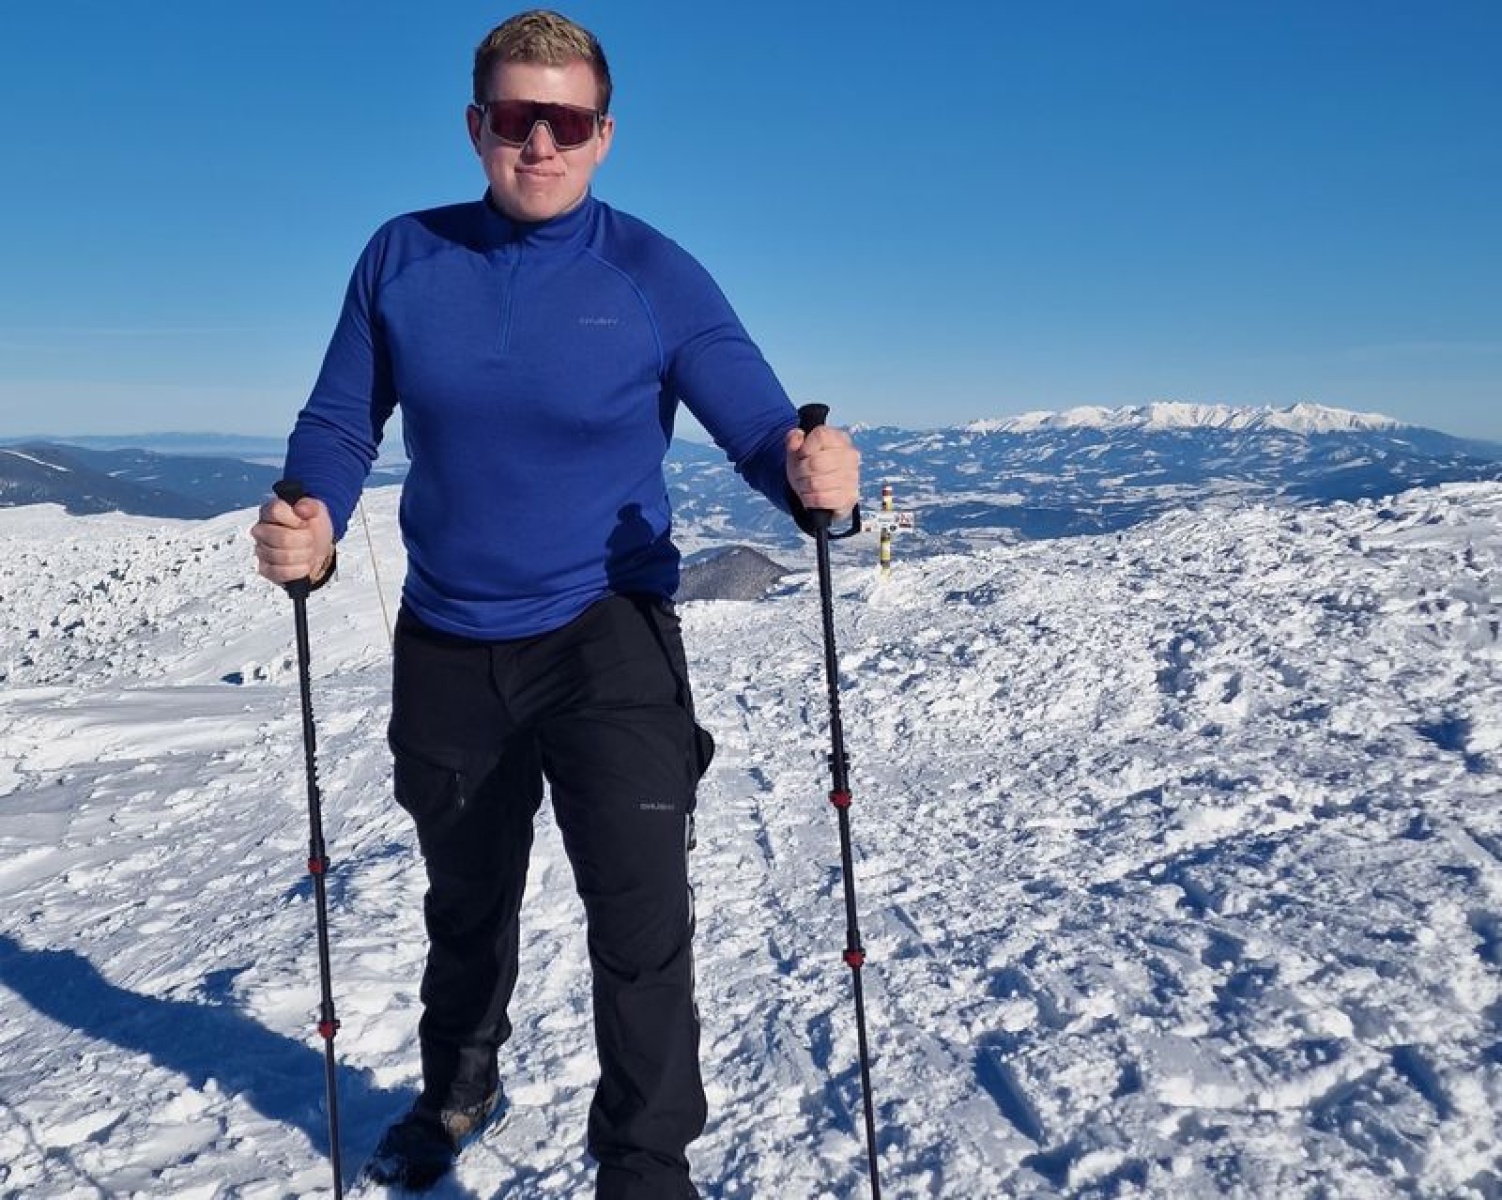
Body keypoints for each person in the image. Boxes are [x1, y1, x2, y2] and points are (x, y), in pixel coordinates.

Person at [251, 9, 860, 1198]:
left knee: (640, 918)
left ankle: (644, 1164)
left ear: (603, 136)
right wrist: (311, 518)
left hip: (607, 632)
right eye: (515, 118)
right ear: (475, 125)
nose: (540, 143)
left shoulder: (652, 274)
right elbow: (339, 423)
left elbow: (760, 429)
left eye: (566, 122)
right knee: (465, 899)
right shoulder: (401, 257)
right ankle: (458, 1086)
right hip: (449, 637)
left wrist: (808, 475)